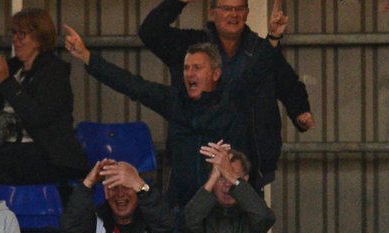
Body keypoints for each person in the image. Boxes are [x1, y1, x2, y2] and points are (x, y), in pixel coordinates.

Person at [63, 26, 274, 209]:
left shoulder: (233, 98)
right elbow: (132, 85)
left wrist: (273, 37)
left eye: (197, 68)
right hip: (182, 209)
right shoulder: (174, 100)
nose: (189, 74)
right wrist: (87, 57)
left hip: (225, 209)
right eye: (186, 68)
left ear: (216, 74)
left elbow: (257, 71)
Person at [138, 0, 312, 189]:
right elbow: (150, 32)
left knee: (249, 216)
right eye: (227, 9)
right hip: (195, 161)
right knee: (193, 216)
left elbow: (288, 82)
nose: (233, 14)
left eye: (239, 9)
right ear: (213, 14)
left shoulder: (261, 49)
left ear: (247, 13)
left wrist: (300, 110)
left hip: (249, 163)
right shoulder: (190, 47)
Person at [0, 8, 90, 185]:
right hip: (16, 149)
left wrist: (6, 84)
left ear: (39, 38)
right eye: (14, 33)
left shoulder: (54, 72)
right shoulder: (14, 69)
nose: (15, 40)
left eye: (21, 34)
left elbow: (38, 115)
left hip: (50, 155)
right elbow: (1, 114)